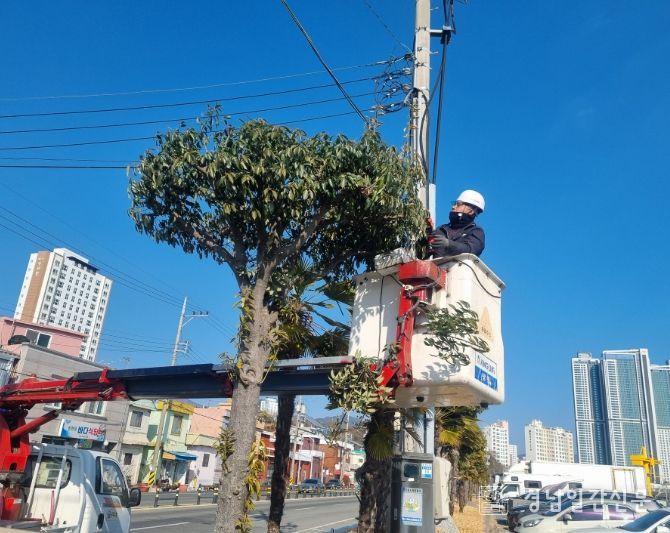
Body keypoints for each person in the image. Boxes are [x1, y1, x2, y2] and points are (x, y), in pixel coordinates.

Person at [429, 189, 485, 257]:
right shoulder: (441, 229)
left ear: (471, 211)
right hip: (436, 264)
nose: (453, 207)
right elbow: (424, 253)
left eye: (458, 204)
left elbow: (471, 250)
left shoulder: (475, 231)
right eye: (454, 204)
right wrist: (425, 236)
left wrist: (449, 244)